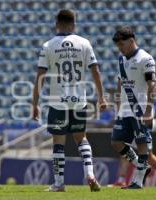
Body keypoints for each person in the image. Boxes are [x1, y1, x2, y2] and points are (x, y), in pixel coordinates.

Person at [32, 9, 107, 192]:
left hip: (58, 102)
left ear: (56, 24)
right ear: (74, 23)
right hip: (78, 101)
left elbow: (40, 76)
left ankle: (59, 184)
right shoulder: (84, 43)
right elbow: (95, 71)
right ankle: (90, 173)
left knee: (58, 141)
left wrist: (34, 104)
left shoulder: (48, 45)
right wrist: (101, 97)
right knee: (81, 138)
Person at [111, 25, 156, 189]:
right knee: (116, 142)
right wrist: (117, 106)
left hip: (140, 109)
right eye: (118, 46)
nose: (120, 48)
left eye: (121, 44)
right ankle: (141, 165)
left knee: (142, 143)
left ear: (131, 41)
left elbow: (152, 85)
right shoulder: (121, 60)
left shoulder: (146, 59)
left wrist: (149, 111)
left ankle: (137, 181)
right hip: (124, 109)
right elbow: (119, 83)